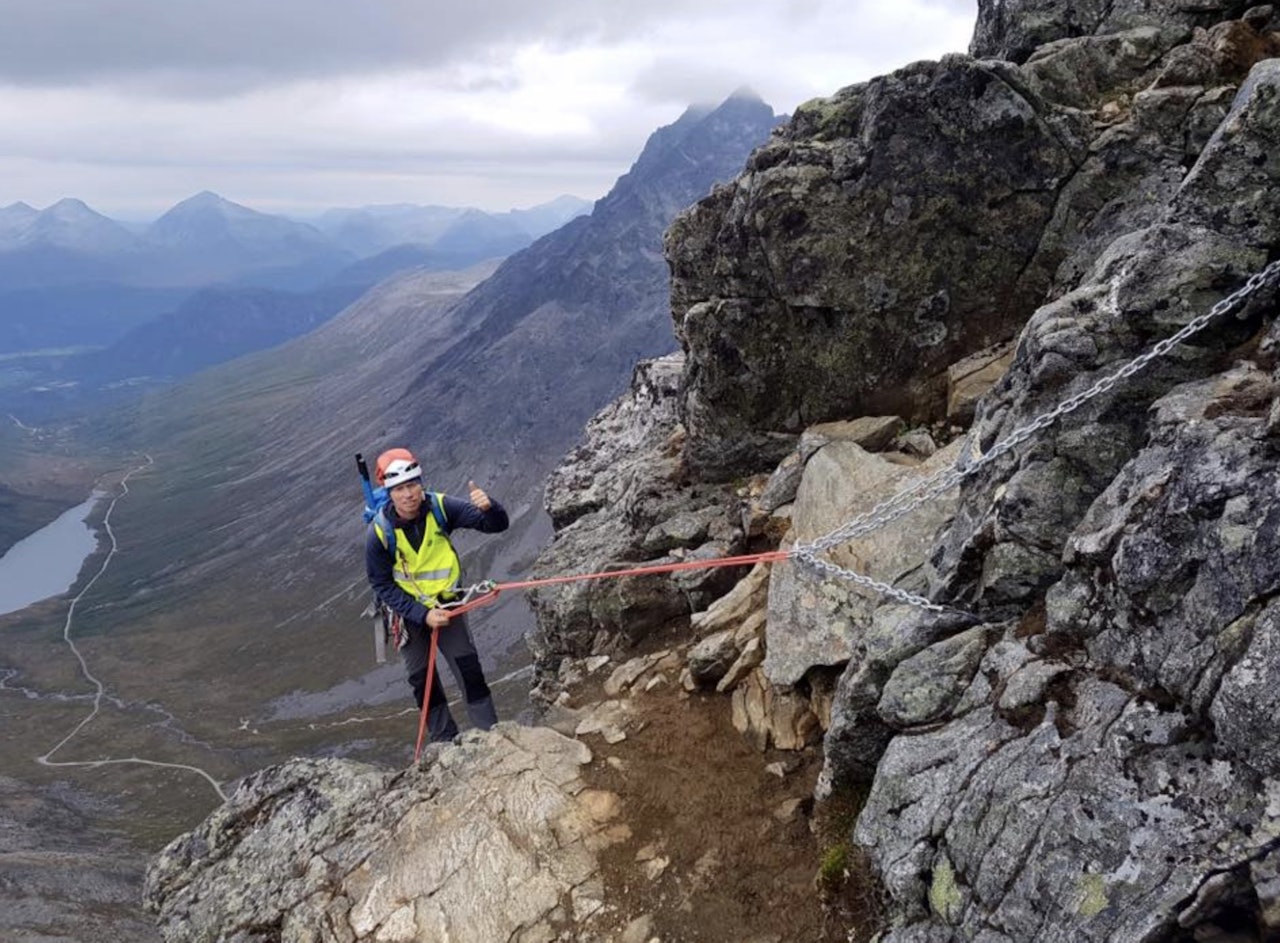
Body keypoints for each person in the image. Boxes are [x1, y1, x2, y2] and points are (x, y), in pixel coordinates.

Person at [365, 447, 509, 743]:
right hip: (408, 613)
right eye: (400, 489)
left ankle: (492, 737)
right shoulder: (379, 533)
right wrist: (422, 614)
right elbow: (381, 585)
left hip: (448, 605)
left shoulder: (442, 507)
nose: (408, 495)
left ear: (421, 484)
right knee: (423, 681)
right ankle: (443, 741)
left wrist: (489, 508)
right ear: (390, 492)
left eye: (412, 485)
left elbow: (495, 525)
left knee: (469, 670)